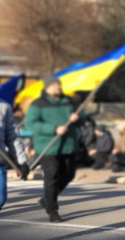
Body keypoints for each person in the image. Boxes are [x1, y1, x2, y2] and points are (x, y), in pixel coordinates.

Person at [24, 79, 84, 222]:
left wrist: (77, 117)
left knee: (69, 174)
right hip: (48, 146)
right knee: (52, 177)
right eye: (55, 85)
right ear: (47, 88)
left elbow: (82, 116)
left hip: (68, 145)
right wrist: (53, 129)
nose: (59, 87)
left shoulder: (68, 101)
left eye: (59, 85)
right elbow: (31, 124)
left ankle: (46, 199)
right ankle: (52, 210)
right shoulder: (37, 104)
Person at [0, 97, 30, 212]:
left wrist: (21, 161)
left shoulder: (4, 106)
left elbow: (13, 136)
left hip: (0, 160)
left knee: (1, 198)